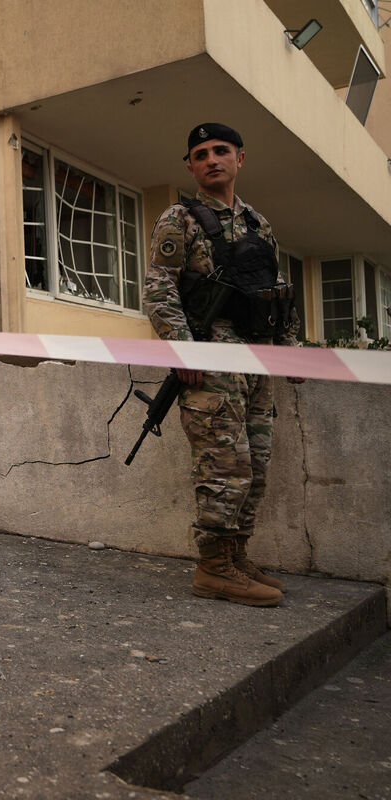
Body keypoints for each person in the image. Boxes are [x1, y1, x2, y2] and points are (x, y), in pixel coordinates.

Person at [143, 123, 302, 608]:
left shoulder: (258, 223)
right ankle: (213, 568)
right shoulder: (180, 218)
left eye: (221, 151)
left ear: (239, 159)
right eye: (201, 154)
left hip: (257, 359)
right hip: (212, 358)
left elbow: (277, 290)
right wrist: (185, 350)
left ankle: (236, 556)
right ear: (191, 167)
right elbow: (159, 291)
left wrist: (290, 349)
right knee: (224, 466)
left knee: (256, 464)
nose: (211, 159)